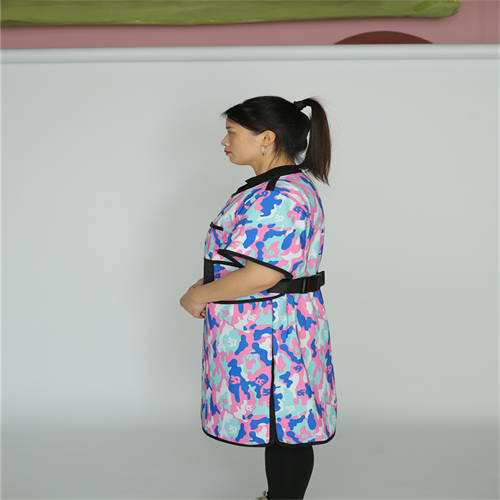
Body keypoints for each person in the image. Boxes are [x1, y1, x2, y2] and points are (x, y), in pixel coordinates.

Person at [180, 96, 337, 500]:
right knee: (281, 425)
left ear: (266, 138)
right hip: (273, 325)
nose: (224, 142)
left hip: (273, 332)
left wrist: (199, 297)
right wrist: (205, 284)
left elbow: (264, 273)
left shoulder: (279, 195)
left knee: (285, 427)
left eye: (231, 132)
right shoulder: (278, 187)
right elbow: (247, 258)